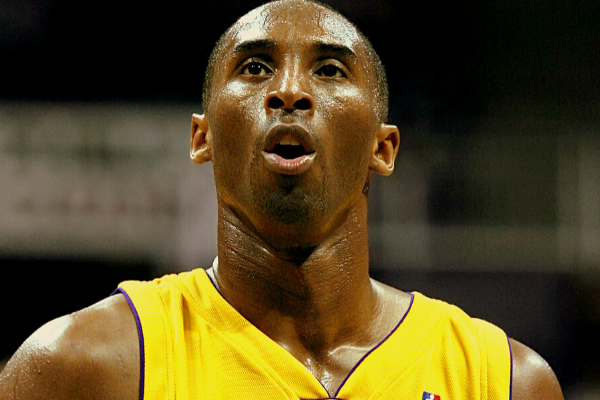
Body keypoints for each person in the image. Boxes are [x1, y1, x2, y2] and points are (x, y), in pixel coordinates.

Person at [0, 0, 563, 399]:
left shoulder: (504, 381)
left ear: (383, 148)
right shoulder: (82, 367)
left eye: (330, 69)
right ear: (203, 137)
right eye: (254, 66)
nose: (289, 89)